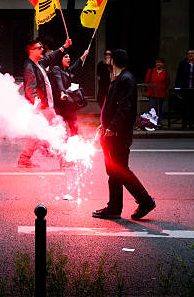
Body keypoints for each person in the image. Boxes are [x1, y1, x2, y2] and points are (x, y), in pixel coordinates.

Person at [93, 49, 156, 220]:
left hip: (118, 135)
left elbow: (125, 107)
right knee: (114, 171)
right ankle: (114, 207)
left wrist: (112, 127)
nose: (107, 60)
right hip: (111, 133)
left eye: (109, 57)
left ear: (113, 61)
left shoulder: (126, 79)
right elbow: (113, 107)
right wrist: (104, 125)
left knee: (120, 170)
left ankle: (145, 201)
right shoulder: (120, 79)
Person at [17, 37, 72, 168]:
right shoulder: (30, 67)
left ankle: (24, 159)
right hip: (43, 108)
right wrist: (37, 103)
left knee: (37, 135)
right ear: (31, 50)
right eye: (39, 48)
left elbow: (51, 57)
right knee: (59, 131)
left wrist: (64, 47)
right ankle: (64, 160)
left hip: (46, 106)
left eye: (42, 47)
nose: (43, 49)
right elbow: (30, 88)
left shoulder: (38, 63)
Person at [49, 49, 89, 136]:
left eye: (69, 57)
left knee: (74, 125)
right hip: (60, 103)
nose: (68, 59)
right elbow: (59, 82)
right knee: (60, 127)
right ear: (60, 59)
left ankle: (74, 143)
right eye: (66, 57)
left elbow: (75, 65)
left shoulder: (66, 70)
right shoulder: (56, 69)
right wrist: (62, 93)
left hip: (68, 103)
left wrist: (84, 55)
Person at [174, 49, 194, 130]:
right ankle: (184, 124)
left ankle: (191, 124)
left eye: (192, 53)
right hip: (185, 89)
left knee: (192, 107)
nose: (190, 55)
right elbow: (178, 76)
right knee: (184, 107)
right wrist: (177, 88)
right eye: (189, 53)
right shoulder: (183, 63)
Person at [144, 57, 170, 127]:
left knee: (159, 109)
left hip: (161, 94)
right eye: (157, 62)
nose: (158, 64)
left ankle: (158, 123)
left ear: (163, 64)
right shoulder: (151, 71)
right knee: (152, 109)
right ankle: (152, 123)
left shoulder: (166, 73)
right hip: (152, 93)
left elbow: (167, 84)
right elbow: (146, 81)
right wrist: (149, 89)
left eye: (160, 62)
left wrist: (163, 90)